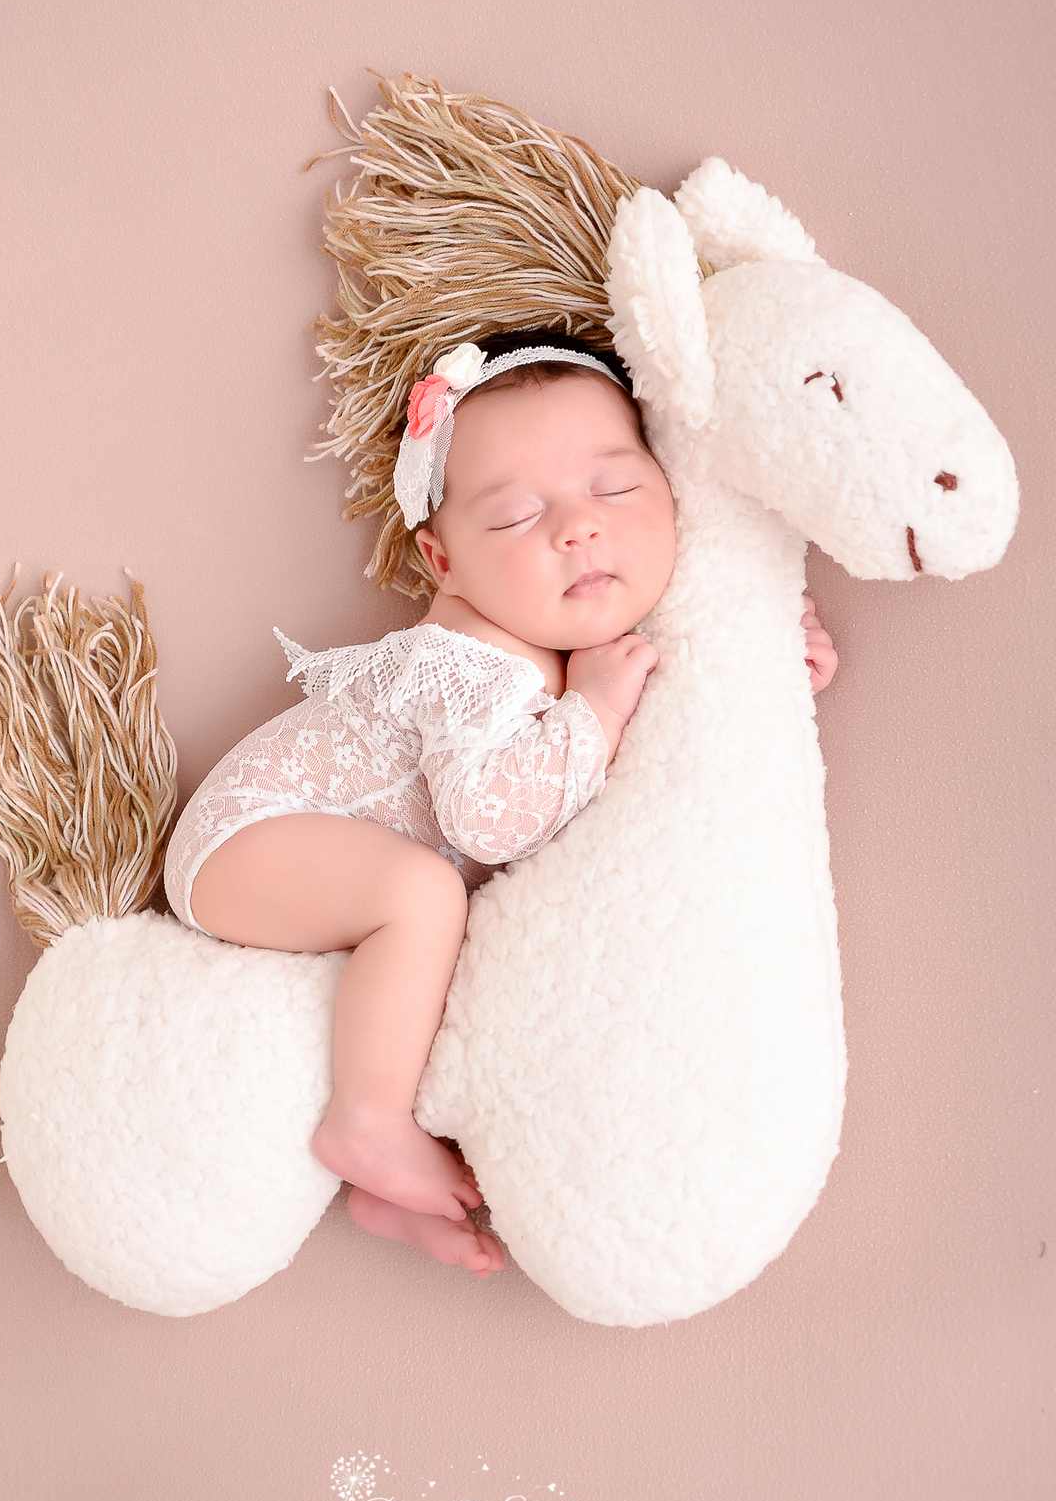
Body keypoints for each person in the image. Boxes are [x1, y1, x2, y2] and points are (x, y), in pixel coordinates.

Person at [163, 336, 838, 1278]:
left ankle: (386, 1191)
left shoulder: (576, 629)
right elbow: (489, 821)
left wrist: (764, 645)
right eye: (519, 516)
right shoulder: (476, 657)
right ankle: (367, 1121)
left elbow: (678, 687)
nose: (577, 530)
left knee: (444, 966)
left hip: (311, 856)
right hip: (249, 838)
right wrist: (597, 706)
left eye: (615, 490)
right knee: (423, 897)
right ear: (444, 562)